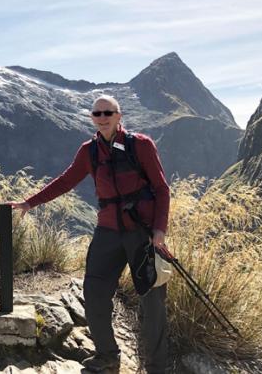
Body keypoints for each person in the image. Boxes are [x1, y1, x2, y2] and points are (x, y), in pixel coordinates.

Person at [11, 94, 170, 374]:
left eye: (108, 113)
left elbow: (161, 188)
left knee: (153, 301)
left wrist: (159, 230)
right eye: (97, 114)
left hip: (141, 234)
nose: (102, 118)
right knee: (94, 292)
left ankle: (157, 368)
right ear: (92, 119)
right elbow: (66, 180)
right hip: (107, 232)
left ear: (119, 116)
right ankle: (107, 356)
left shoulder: (141, 145)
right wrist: (29, 202)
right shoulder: (89, 151)